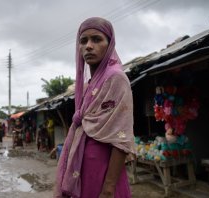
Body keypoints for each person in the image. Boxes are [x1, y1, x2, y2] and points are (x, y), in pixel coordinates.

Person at [54, 17, 135, 198]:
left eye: (96, 39)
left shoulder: (116, 78)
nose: (88, 46)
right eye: (83, 41)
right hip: (84, 167)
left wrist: (108, 189)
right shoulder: (91, 82)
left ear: (110, 44)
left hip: (103, 171)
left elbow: (121, 137)